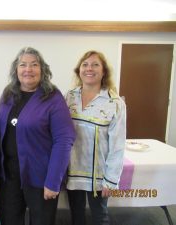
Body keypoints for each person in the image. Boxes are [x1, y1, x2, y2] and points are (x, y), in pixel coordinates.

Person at [0, 47, 76, 225]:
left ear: (43, 70)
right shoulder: (8, 94)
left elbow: (64, 140)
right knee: (9, 220)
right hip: (8, 175)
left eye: (34, 64)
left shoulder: (52, 97)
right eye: (23, 64)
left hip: (40, 176)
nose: (28, 69)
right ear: (16, 70)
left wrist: (53, 181)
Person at [65, 50, 126, 225]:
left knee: (100, 217)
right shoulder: (69, 97)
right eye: (85, 65)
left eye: (95, 64)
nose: (89, 68)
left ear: (104, 71)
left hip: (99, 175)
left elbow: (118, 145)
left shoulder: (115, 103)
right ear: (79, 71)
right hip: (73, 170)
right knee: (76, 216)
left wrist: (110, 179)